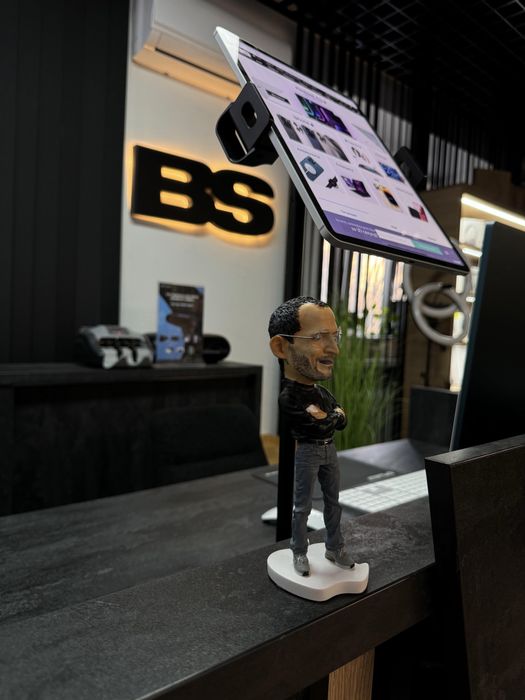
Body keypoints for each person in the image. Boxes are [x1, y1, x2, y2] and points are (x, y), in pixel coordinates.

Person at [268, 296, 355, 576]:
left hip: (329, 450)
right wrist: (330, 417)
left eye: (335, 336)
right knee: (302, 506)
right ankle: (299, 551)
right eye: (318, 337)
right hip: (308, 452)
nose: (334, 349)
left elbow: (338, 420)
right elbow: (318, 424)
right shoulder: (289, 397)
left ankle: (335, 547)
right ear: (281, 347)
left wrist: (327, 416)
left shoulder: (320, 393)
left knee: (333, 502)